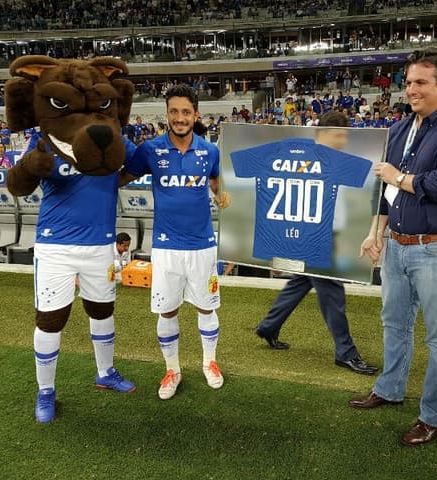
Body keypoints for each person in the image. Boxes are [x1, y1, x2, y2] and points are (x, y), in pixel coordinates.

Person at [351, 48, 437, 446]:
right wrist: (376, 231)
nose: (411, 89)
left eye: (421, 82)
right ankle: (390, 390)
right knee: (394, 324)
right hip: (398, 244)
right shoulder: (403, 127)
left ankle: (434, 415)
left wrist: (400, 176)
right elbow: (386, 190)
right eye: (408, 82)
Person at [122, 85, 230, 401]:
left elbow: (215, 181)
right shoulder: (150, 150)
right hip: (167, 247)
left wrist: (220, 193)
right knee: (166, 312)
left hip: (202, 245)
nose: (179, 118)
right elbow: (122, 177)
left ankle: (210, 362)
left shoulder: (209, 151)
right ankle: (173, 369)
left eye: (185, 112)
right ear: (167, 114)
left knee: (205, 306)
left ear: (195, 115)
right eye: (174, 111)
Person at [254, 112, 378, 375]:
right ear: (322, 134)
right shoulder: (305, 159)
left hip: (322, 236)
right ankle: (346, 352)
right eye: (338, 135)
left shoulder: (336, 161)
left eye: (346, 135)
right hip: (314, 238)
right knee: (333, 293)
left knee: (300, 283)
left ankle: (268, 327)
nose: (343, 140)